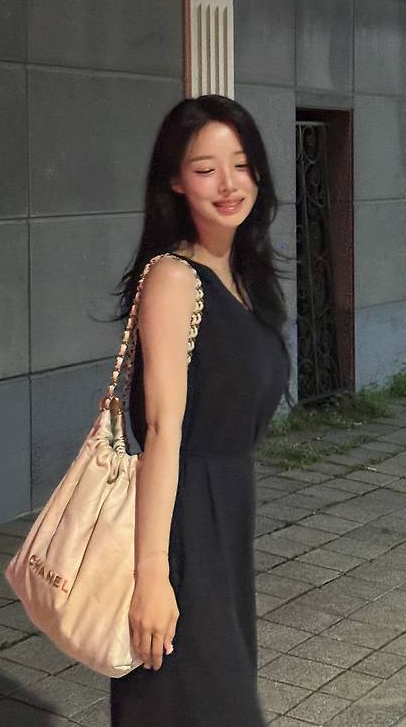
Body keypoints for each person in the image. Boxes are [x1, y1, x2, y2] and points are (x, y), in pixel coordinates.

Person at [110, 95, 293, 726]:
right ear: (175, 180)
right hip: (182, 523)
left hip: (225, 516)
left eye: (240, 165)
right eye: (206, 168)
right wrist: (152, 575)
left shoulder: (245, 278)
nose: (228, 184)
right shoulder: (174, 279)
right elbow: (163, 431)